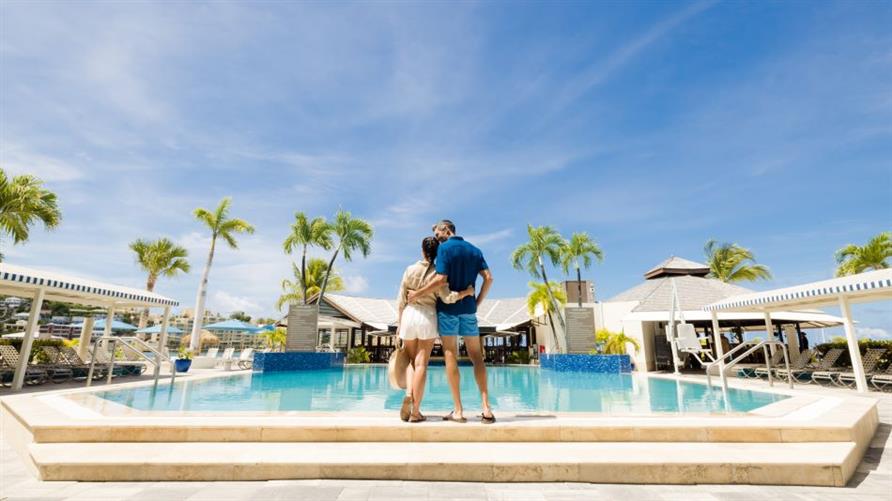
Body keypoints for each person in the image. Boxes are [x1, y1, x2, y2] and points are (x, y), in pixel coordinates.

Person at [408, 220, 494, 424]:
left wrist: (416, 294)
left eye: (436, 231)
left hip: (447, 311)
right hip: (469, 310)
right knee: (477, 357)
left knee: (450, 356)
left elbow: (440, 280)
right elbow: (489, 278)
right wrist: (476, 301)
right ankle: (486, 408)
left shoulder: (444, 249)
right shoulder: (475, 250)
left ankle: (458, 410)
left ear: (447, 229)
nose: (436, 235)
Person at [396, 237, 475, 423]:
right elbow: (447, 298)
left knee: (410, 360)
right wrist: (466, 293)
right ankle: (415, 412)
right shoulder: (439, 274)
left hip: (409, 315)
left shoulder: (410, 269)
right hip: (427, 317)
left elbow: (400, 300)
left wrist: (399, 325)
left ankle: (409, 393)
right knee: (421, 363)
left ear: (422, 250)